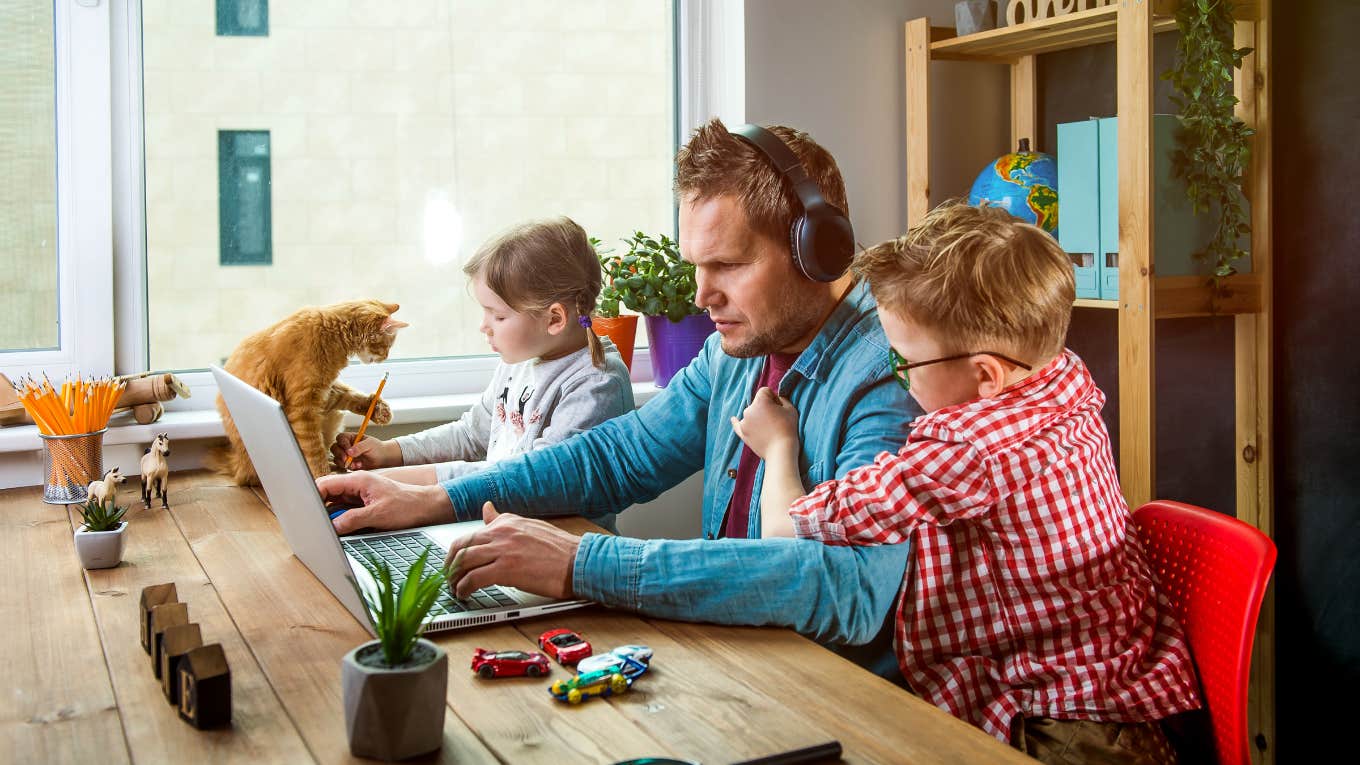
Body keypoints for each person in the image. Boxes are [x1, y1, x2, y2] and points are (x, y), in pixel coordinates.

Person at [315, 119, 923, 669]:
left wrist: (582, 563)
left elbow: (851, 587)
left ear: (817, 250)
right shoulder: (736, 353)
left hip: (836, 689)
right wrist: (432, 501)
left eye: (728, 265)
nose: (701, 294)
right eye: (695, 265)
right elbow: (617, 457)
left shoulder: (893, 370)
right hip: (742, 655)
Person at [732, 201, 1202, 764]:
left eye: (905, 363)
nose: (895, 376)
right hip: (1130, 689)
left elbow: (788, 531)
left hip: (1072, 733)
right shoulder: (1059, 373)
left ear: (984, 374)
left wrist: (779, 447)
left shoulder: (967, 452)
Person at [332, 217, 634, 509]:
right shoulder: (521, 360)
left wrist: (401, 483)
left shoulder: (596, 383)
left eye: (498, 316)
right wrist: (391, 453)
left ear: (554, 318)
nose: (484, 326)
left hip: (555, 543)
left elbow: (533, 480)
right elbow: (471, 434)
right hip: (496, 526)